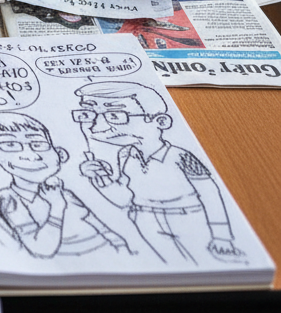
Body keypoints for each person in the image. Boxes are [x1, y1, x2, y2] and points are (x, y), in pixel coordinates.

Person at [73, 81, 244, 264]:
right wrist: (101, 179)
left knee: (208, 265)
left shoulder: (181, 157)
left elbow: (210, 193)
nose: (96, 125)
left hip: (189, 219)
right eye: (88, 114)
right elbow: (123, 198)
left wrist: (221, 236)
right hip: (145, 220)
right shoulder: (126, 155)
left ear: (160, 121)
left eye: (114, 115)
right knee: (172, 266)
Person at [0, 112, 129, 257]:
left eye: (38, 144)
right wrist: (56, 207)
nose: (31, 155)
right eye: (10, 145)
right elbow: (42, 248)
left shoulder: (64, 192)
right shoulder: (7, 198)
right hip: (70, 270)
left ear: (59, 154)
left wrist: (122, 248)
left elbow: (99, 226)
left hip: (110, 256)